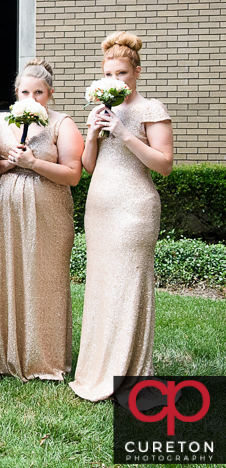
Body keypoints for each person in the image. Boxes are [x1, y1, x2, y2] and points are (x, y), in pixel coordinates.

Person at [70, 32, 173, 402]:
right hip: (99, 206)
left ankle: (130, 374)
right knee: (102, 285)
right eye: (109, 74)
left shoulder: (152, 110)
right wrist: (94, 133)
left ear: (137, 72)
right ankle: (98, 368)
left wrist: (125, 133)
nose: (115, 81)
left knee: (129, 284)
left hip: (135, 207)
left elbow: (163, 165)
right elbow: (87, 165)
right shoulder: (98, 111)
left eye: (122, 74)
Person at [0, 59, 84, 382]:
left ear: (49, 94)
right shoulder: (1, 124)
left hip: (48, 211)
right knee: (10, 274)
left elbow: (73, 175)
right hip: (7, 210)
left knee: (45, 277)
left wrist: (33, 162)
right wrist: (10, 164)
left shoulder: (61, 124)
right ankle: (5, 354)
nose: (31, 97)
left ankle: (45, 358)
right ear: (16, 92)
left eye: (38, 92)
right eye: (25, 91)